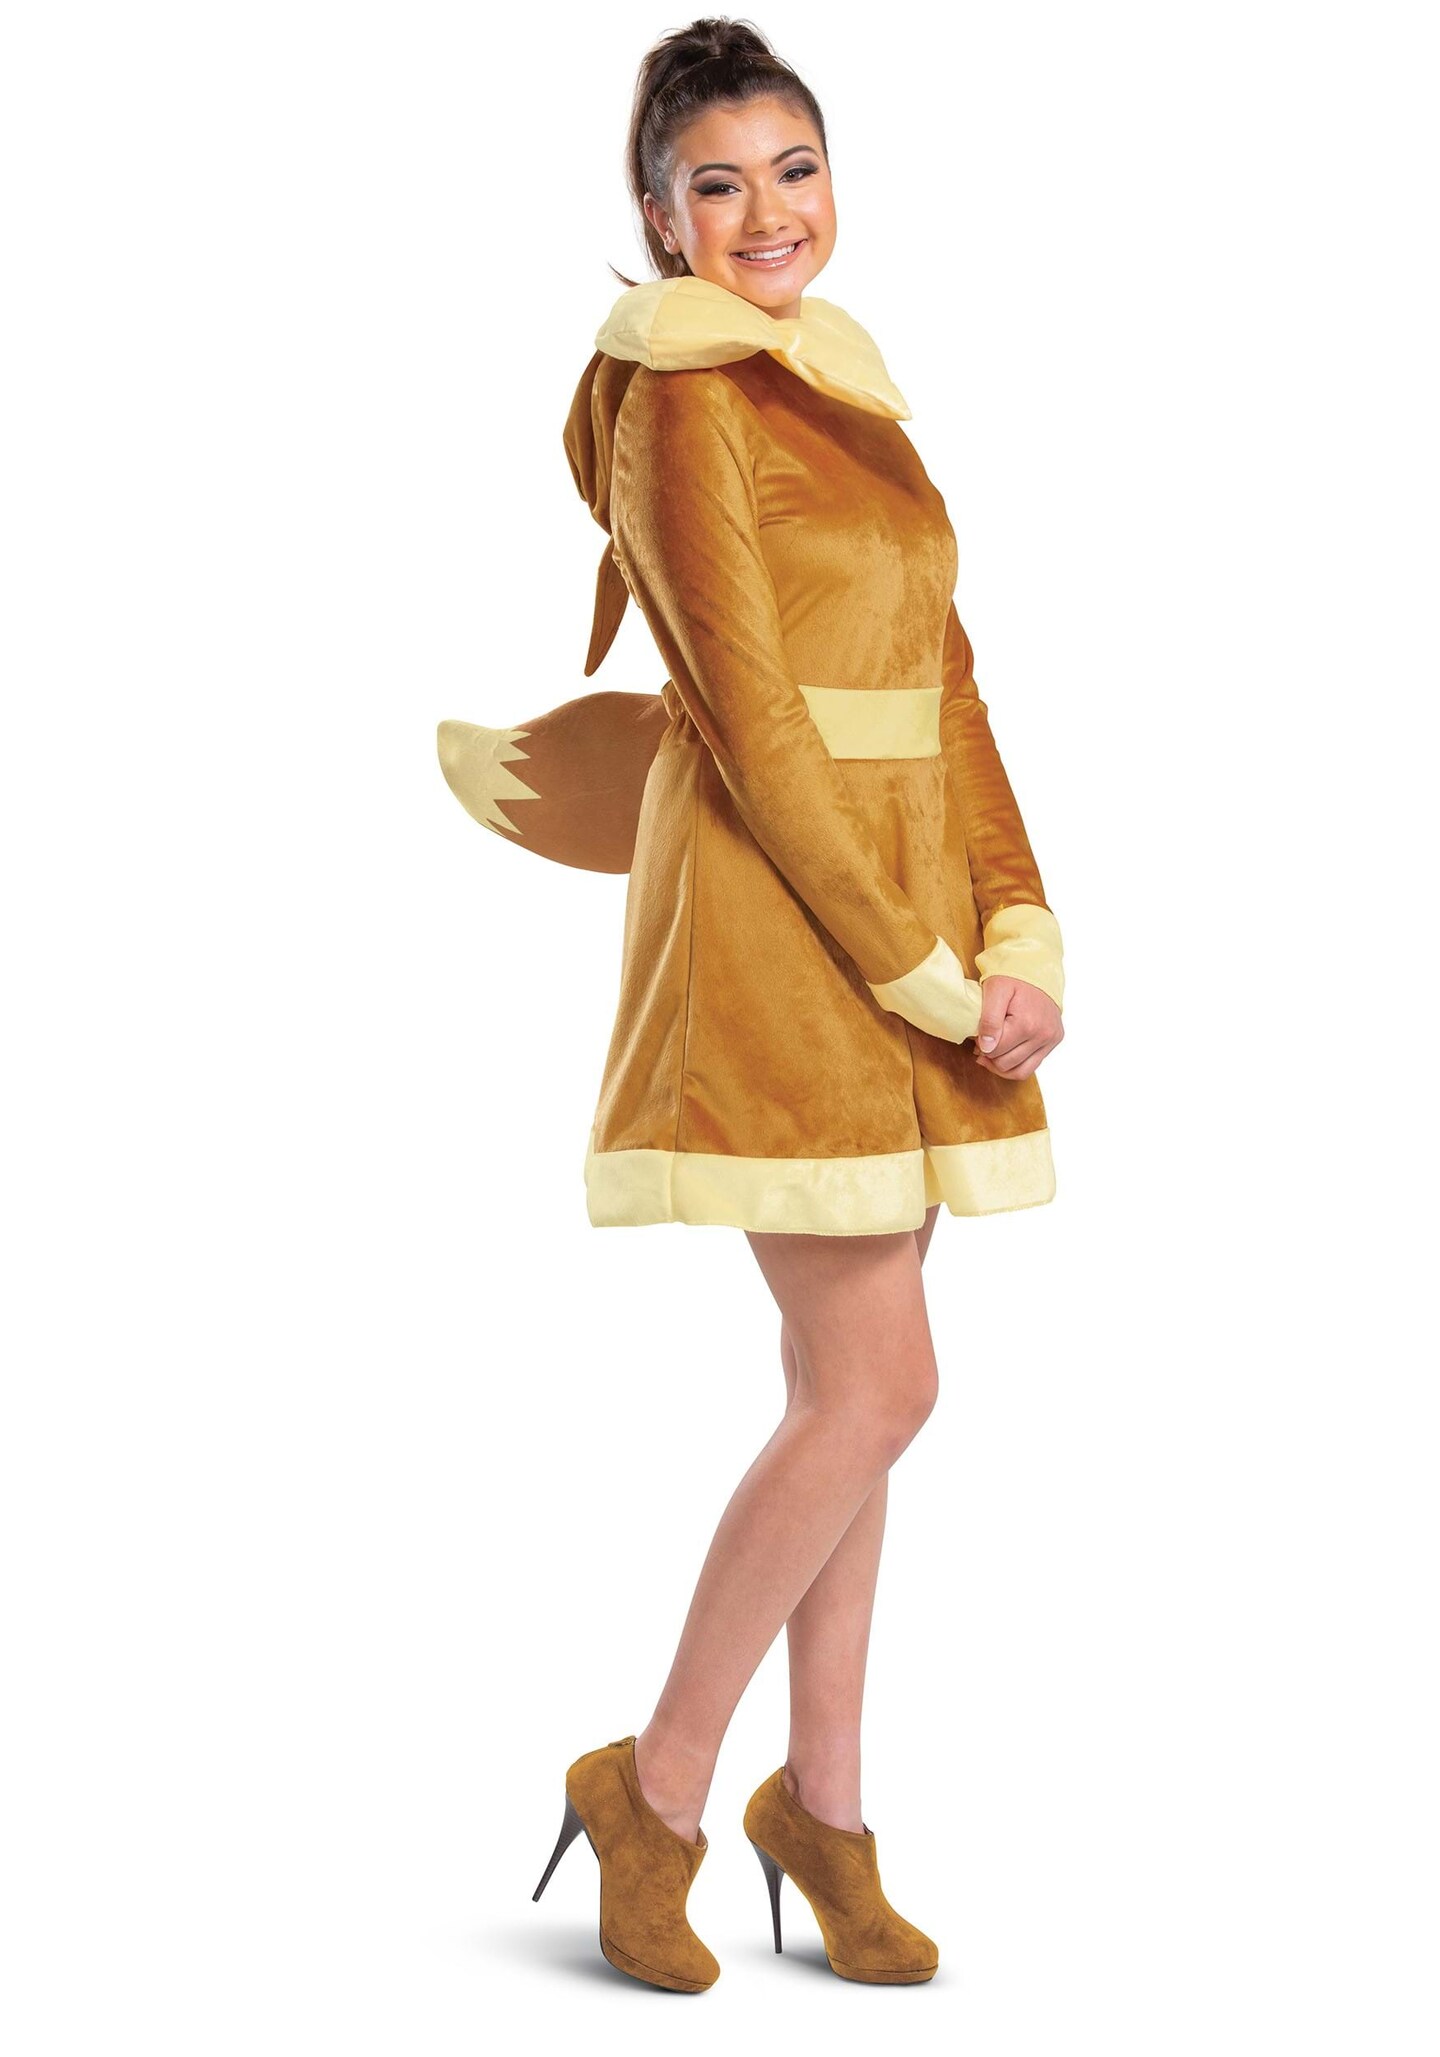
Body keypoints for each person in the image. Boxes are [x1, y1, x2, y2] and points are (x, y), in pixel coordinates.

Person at [439, 18, 1066, 1993]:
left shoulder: (846, 387)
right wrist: (914, 963)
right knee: (884, 1385)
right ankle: (663, 1787)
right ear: (662, 216)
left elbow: (948, 686)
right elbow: (754, 720)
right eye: (720, 183)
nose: (768, 210)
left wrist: (1021, 922)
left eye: (795, 167)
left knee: (844, 1397)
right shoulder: (681, 400)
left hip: (905, 916)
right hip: (784, 927)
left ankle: (831, 1811)